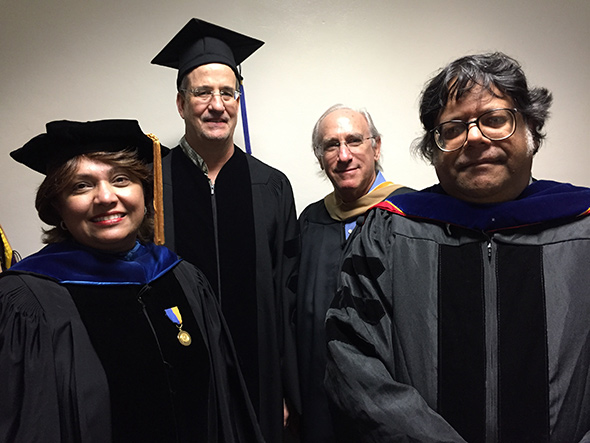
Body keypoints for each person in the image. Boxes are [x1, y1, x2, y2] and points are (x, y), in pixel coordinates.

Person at [324, 52, 590, 442]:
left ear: (530, 129)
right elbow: (353, 363)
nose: (476, 136)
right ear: (434, 148)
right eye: (454, 127)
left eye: (495, 119)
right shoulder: (389, 232)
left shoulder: (581, 225)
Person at [0, 119, 264, 442]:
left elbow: (225, 411)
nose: (106, 197)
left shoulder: (182, 277)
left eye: (121, 179)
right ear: (57, 207)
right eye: (81, 185)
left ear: (146, 191)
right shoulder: (27, 303)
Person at [151, 18, 300, 442]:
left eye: (227, 92)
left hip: (261, 383)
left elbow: (286, 294)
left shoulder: (271, 186)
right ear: (181, 104)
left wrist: (288, 390)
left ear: (238, 100)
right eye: (202, 92)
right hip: (177, 379)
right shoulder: (150, 185)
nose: (217, 104)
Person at [297, 104, 413, 442]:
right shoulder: (311, 221)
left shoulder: (412, 217)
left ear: (376, 147)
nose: (344, 155)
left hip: (395, 403)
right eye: (331, 145)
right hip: (320, 400)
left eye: (354, 141)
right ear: (320, 157)